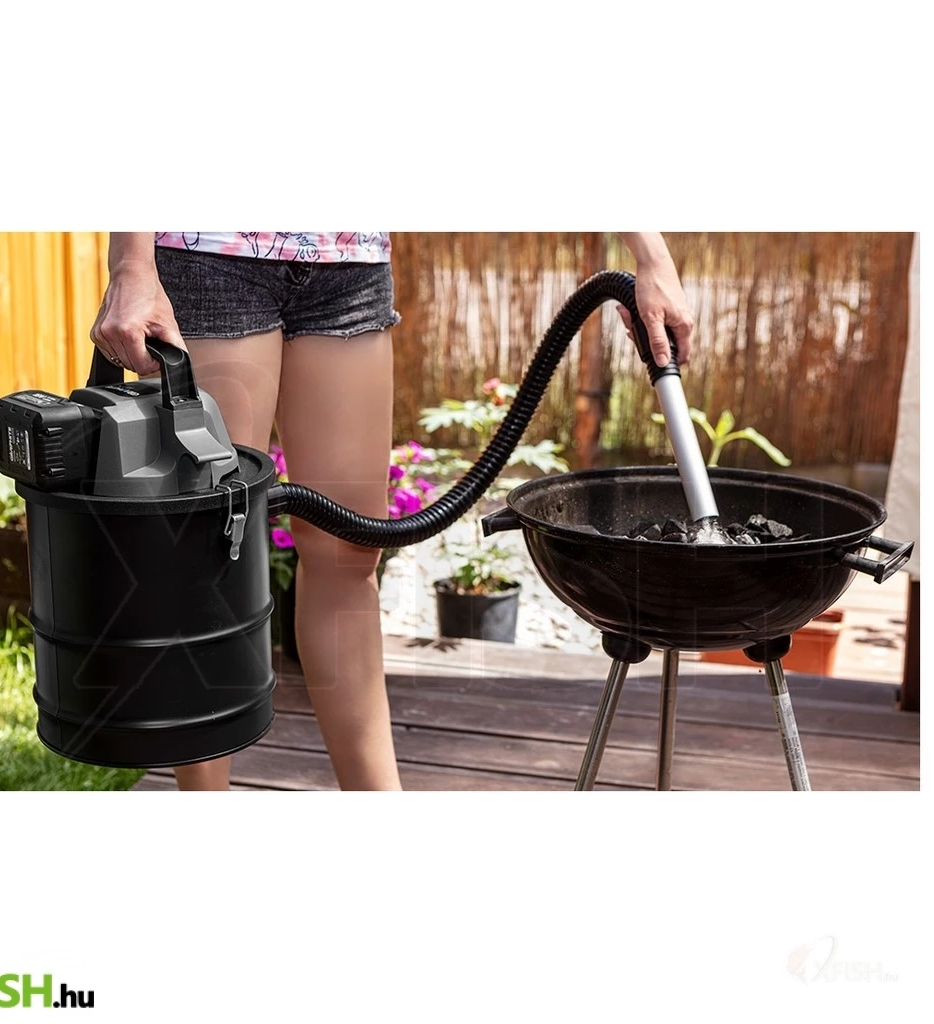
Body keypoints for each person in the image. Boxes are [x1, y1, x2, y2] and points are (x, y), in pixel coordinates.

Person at [90, 231, 695, 791]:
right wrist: (132, 264)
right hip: (212, 254)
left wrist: (652, 255)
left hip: (347, 261)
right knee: (209, 560)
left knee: (349, 555)